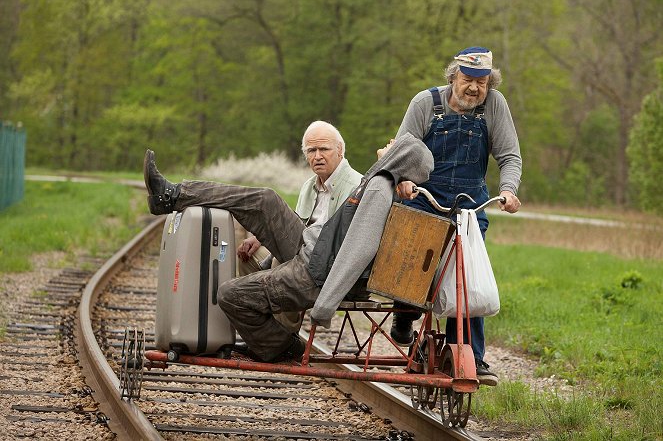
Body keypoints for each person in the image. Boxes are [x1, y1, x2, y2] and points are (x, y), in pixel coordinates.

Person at [143, 133, 433, 363]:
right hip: (312, 248)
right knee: (265, 200)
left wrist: (325, 306)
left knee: (229, 295)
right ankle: (173, 196)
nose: (387, 144)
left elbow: (359, 249)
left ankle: (280, 346)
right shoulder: (378, 179)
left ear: (400, 155)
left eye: (394, 144)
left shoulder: (378, 188)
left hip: (315, 272)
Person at [390, 46, 523, 387]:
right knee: (411, 268)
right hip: (424, 198)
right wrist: (403, 180)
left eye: (482, 82)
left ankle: (471, 358)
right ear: (452, 77)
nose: (475, 89)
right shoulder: (425, 103)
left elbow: (509, 155)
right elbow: (401, 150)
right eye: (468, 80)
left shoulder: (495, 105)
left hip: (469, 204)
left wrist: (508, 190)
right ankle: (404, 314)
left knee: (469, 281)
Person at [234, 121, 362, 332]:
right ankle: (263, 329)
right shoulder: (308, 186)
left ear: (340, 151)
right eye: (311, 150)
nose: (317, 156)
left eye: (324, 149)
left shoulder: (355, 186)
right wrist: (262, 238)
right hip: (301, 255)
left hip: (327, 267)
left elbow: (345, 245)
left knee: (281, 260)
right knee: (247, 254)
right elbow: (298, 225)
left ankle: (285, 334)